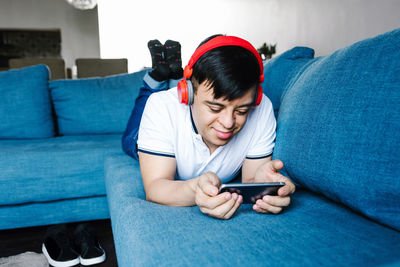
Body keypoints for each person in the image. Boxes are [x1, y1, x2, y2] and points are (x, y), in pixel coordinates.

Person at [122, 35, 295, 220]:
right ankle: (154, 80)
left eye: (242, 110)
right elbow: (155, 188)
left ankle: (173, 77)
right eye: (215, 108)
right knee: (131, 140)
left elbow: (251, 180)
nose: (228, 123)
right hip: (148, 128)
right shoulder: (161, 106)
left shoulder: (261, 109)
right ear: (188, 94)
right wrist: (195, 189)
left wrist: (262, 187)